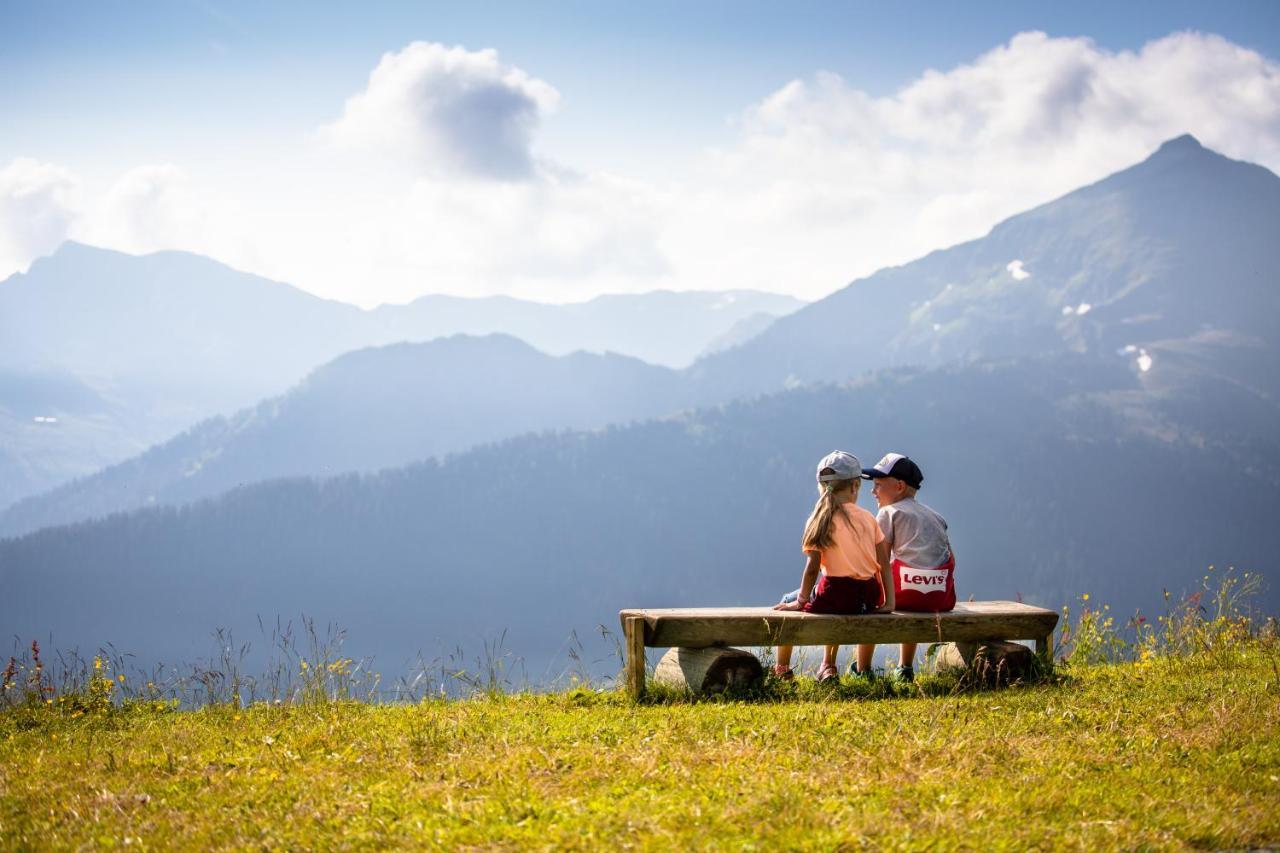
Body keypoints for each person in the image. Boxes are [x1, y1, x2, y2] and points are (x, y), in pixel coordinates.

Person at [772, 450, 894, 682]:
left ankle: (782, 670)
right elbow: (884, 564)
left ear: (821, 487)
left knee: (788, 599)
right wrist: (890, 602)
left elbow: (812, 569)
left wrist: (801, 601)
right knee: (837, 597)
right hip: (867, 597)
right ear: (855, 486)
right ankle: (828, 664)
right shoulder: (868, 518)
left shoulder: (819, 520)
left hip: (834, 595)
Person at [856, 453, 955, 682]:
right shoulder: (936, 517)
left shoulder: (888, 513)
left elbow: (879, 560)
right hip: (937, 597)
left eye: (878, 485)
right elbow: (950, 557)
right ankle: (905, 668)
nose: (873, 492)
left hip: (902, 594)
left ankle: (863, 670)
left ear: (899, 486)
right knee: (914, 588)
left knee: (870, 596)